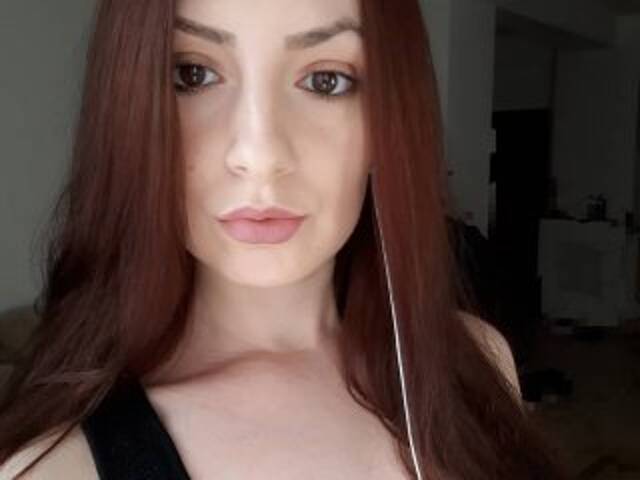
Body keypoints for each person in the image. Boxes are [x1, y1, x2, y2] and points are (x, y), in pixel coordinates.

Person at [0, 0, 568, 478]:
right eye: (192, 75)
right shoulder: (58, 467)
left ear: (388, 122)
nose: (260, 154)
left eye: (326, 80)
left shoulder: (476, 359)